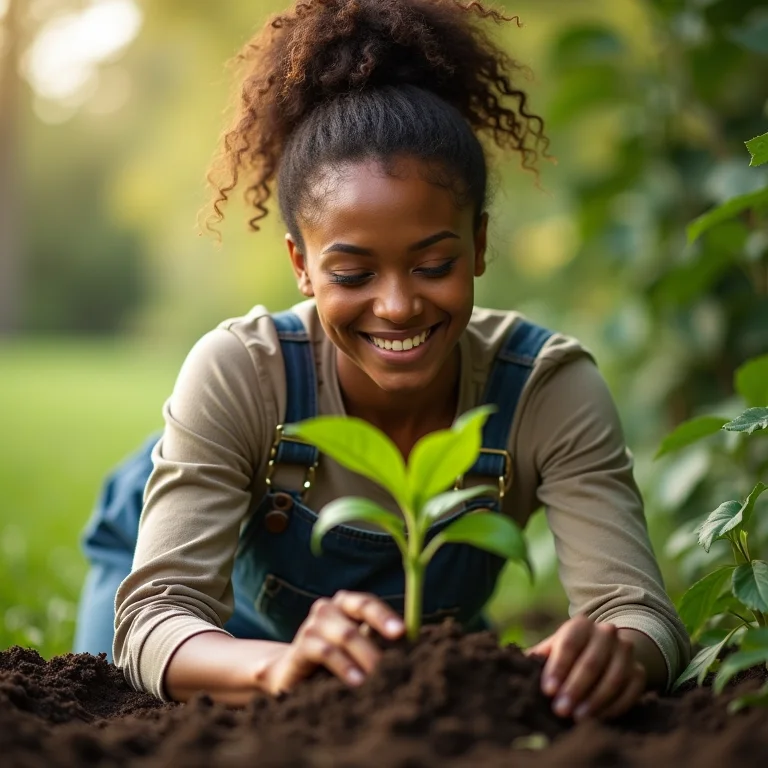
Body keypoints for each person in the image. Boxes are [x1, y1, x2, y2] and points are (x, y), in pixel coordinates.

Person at [74, 0, 689, 722]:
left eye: (434, 263)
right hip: (206, 612)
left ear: (480, 244)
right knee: (115, 709)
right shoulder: (242, 370)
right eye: (354, 274)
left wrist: (614, 648)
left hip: (376, 646)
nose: (397, 307)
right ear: (301, 266)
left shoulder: (546, 389)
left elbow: (644, 616)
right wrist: (281, 667)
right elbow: (155, 617)